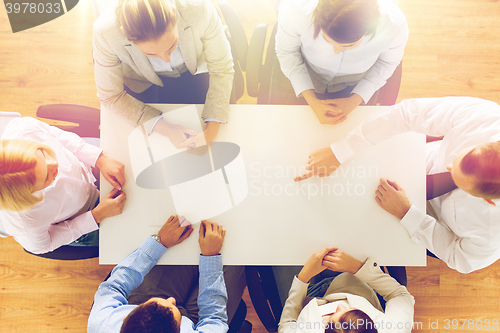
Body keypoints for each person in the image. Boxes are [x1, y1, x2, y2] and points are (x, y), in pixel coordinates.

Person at [295, 96, 500, 273]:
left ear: (489, 201)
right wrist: (340, 151)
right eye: (457, 159)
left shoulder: (493, 231)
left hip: (420, 223)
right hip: (408, 160)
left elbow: (459, 257)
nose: (447, 167)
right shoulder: (488, 119)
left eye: (458, 180)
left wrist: (407, 213)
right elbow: (407, 113)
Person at [93, 0, 234, 148]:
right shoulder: (105, 32)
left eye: (171, 46)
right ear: (125, 33)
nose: (166, 59)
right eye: (151, 53)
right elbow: (110, 96)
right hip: (142, 82)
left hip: (194, 71)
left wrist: (211, 132)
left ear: (174, 13)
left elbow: (221, 68)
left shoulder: (199, 7)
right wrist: (165, 129)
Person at [88, 217, 245, 333]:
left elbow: (115, 285)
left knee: (184, 233)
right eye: (172, 304)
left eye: (167, 302)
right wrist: (211, 258)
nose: (171, 300)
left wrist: (159, 242)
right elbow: (214, 319)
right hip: (199, 324)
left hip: (142, 301)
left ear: (124, 319)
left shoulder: (101, 323)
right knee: (237, 250)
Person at [0, 116, 126, 254]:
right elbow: (43, 245)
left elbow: (56, 135)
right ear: (32, 192)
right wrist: (96, 216)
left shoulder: (22, 129)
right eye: (48, 176)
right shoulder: (24, 222)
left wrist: (98, 158)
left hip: (86, 162)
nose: (56, 164)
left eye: (43, 153)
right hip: (85, 214)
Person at [272, 0, 408, 125]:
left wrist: (355, 100)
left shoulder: (394, 25)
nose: (336, 51)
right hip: (305, 70)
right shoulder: (296, 10)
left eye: (349, 45)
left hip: (355, 84)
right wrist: (311, 100)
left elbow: (386, 63)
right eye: (327, 40)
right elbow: (287, 52)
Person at [278, 247, 414, 333]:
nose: (340, 305)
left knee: (281, 245)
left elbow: (286, 325)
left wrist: (303, 278)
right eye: (355, 313)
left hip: (306, 296)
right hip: (354, 280)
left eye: (330, 319)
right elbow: (399, 294)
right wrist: (356, 267)